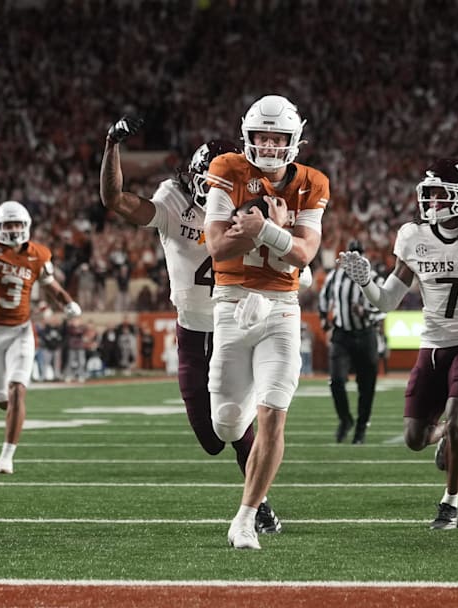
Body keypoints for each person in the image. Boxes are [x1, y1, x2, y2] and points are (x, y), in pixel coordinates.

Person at [100, 116, 283, 540]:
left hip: (235, 327)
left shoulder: (253, 210)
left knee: (237, 424)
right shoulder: (173, 202)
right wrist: (112, 145)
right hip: (192, 333)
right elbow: (115, 200)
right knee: (211, 439)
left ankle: (258, 506)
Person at [338, 158, 458, 529]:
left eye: (441, 194)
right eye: (430, 194)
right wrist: (365, 282)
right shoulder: (414, 236)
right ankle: (446, 433)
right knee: (414, 438)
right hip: (433, 345)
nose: (432, 201)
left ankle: (450, 504)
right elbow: (387, 301)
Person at [203, 95, 328, 550]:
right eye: (263, 136)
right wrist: (273, 237)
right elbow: (217, 248)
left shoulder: (312, 182)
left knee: (273, 414)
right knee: (226, 425)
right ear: (248, 136)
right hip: (232, 302)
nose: (271, 145)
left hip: (281, 306)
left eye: (278, 138)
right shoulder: (227, 168)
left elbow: (305, 253)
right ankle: (244, 400)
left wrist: (264, 231)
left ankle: (245, 517)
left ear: (294, 140)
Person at [0, 176, 82, 474]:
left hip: (21, 331)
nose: (12, 230)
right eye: (7, 225)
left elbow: (50, 284)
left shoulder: (38, 254)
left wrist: (67, 302)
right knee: (2, 400)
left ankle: (7, 455)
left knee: (17, 391)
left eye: (17, 224)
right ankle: (9, 422)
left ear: (27, 225)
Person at [319, 239, 382, 444]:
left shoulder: (374, 277)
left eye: (358, 254)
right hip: (342, 334)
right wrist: (323, 318)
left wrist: (366, 312)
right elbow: (323, 297)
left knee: (367, 385)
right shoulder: (335, 276)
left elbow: (384, 307)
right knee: (336, 380)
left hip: (366, 334)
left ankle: (361, 428)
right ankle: (345, 419)